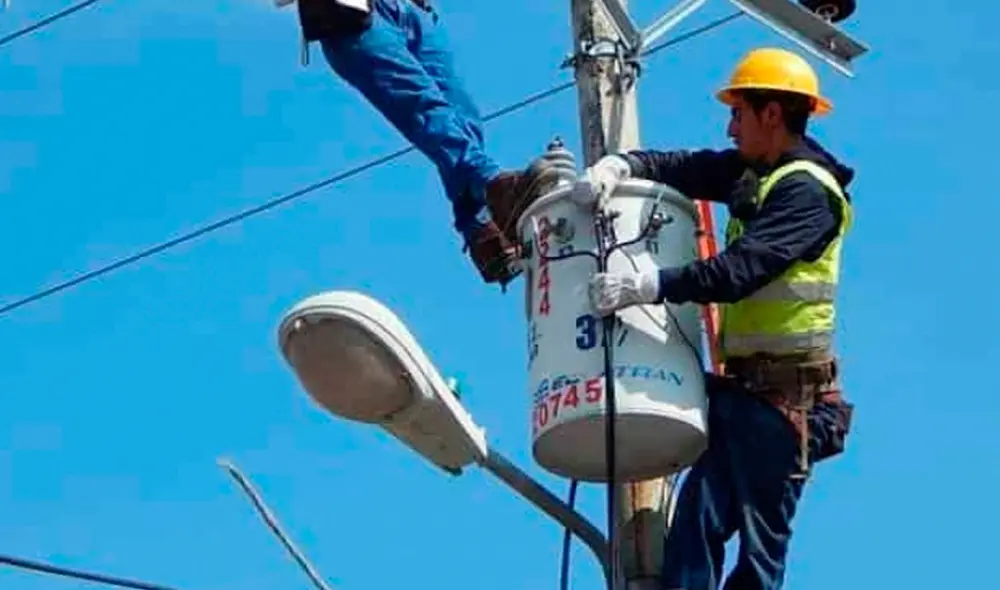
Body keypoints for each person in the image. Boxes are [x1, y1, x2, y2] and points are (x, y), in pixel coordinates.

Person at [579, 47, 857, 589]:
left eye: (738, 114)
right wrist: (622, 165)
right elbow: (688, 168)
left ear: (771, 114)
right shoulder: (759, 173)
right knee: (694, 530)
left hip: (785, 406)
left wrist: (647, 285)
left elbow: (739, 271)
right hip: (745, 397)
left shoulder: (807, 193)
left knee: (757, 560)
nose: (730, 128)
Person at [287, 0, 558, 287]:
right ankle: (495, 188)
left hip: (414, 10)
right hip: (353, 13)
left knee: (464, 118)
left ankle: (483, 233)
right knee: (426, 108)